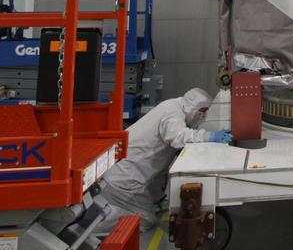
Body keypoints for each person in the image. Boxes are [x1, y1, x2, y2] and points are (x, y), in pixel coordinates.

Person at [95, 88, 231, 232]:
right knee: (146, 219)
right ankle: (93, 229)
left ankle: (100, 214)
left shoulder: (173, 107)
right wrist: (209, 136)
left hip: (122, 173)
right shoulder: (172, 113)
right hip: (124, 178)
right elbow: (177, 137)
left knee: (151, 206)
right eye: (202, 112)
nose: (202, 117)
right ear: (195, 108)